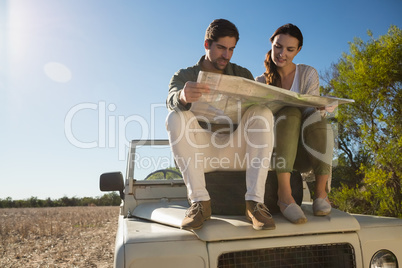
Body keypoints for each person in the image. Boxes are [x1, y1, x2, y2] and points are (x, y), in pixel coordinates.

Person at [166, 19, 275, 231]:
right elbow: (170, 99)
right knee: (174, 116)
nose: (226, 55)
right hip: (201, 152)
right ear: (207, 44)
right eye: (221, 48)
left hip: (236, 150)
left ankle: (255, 205)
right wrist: (181, 96)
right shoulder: (184, 75)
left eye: (231, 49)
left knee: (262, 113)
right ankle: (200, 204)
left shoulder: (242, 74)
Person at [255, 23, 334, 224]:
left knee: (318, 118)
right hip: (277, 153)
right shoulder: (261, 81)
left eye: (290, 49)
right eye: (278, 47)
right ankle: (285, 195)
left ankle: (320, 194)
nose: (282, 53)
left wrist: (320, 108)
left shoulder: (307, 73)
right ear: (271, 44)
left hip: (306, 152)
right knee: (288, 113)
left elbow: (311, 111)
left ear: (298, 51)